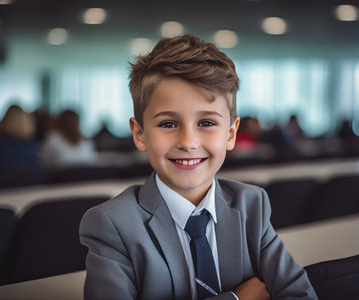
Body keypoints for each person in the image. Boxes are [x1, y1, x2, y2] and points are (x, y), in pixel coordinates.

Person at [79, 35, 317, 300]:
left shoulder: (252, 206)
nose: (188, 143)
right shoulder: (112, 225)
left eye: (206, 123)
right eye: (168, 124)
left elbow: (300, 294)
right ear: (140, 134)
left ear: (230, 134)